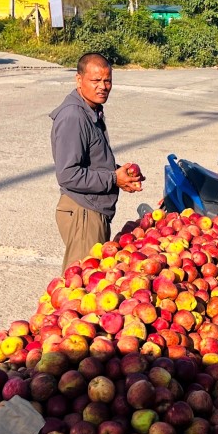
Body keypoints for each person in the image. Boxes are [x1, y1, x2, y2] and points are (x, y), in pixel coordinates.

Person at [50, 53, 144, 272]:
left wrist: (121, 175)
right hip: (84, 212)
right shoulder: (73, 116)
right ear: (78, 80)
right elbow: (68, 174)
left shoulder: (90, 110)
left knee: (92, 282)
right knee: (80, 287)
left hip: (93, 211)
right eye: (95, 81)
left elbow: (92, 162)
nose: (103, 86)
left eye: (107, 80)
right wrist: (113, 178)